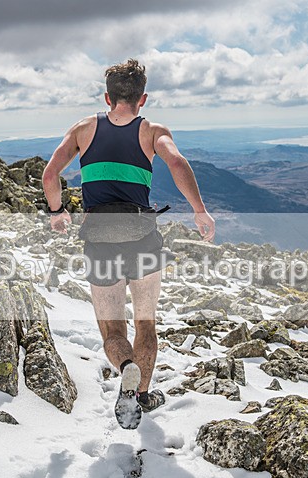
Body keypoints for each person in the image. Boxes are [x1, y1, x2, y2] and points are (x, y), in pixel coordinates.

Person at [42, 59, 215, 429]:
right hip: (142, 235)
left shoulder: (85, 129)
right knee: (146, 325)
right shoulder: (152, 131)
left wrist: (57, 210)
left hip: (99, 237)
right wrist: (199, 211)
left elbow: (50, 173)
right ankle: (139, 396)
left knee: (112, 331)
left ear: (107, 97)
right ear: (143, 98)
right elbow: (178, 163)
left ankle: (126, 369)